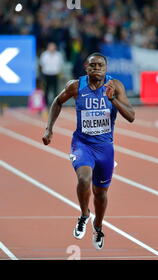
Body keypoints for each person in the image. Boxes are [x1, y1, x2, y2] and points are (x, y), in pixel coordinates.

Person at [42, 53, 135, 250]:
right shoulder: (76, 86)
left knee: (101, 193)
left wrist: (113, 100)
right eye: (92, 65)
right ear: (86, 68)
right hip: (82, 144)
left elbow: (131, 116)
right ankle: (84, 214)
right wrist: (49, 128)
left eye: (100, 65)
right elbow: (57, 102)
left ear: (106, 68)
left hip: (105, 148)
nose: (96, 68)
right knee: (84, 179)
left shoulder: (115, 86)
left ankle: (98, 226)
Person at [39, 42, 64, 107]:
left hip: (55, 74)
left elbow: (60, 65)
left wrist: (60, 73)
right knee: (46, 90)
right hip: (46, 74)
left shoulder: (58, 55)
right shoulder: (44, 55)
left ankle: (55, 104)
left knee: (55, 90)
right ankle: (46, 104)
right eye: (51, 46)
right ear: (48, 47)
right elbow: (41, 65)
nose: (52, 48)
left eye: (53, 47)